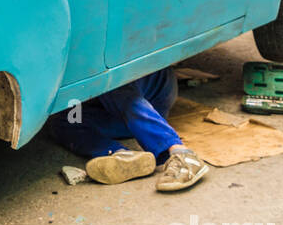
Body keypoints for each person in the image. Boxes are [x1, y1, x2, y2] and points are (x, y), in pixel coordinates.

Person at [45, 67, 209, 191]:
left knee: (110, 84)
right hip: (117, 114)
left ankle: (181, 153)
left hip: (150, 100)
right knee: (63, 122)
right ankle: (121, 154)